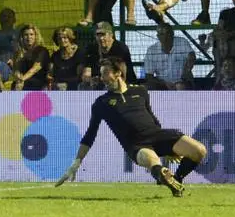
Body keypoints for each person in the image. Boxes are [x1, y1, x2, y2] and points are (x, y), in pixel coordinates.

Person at [55, 56, 207, 197]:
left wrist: (168, 149)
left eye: (105, 73)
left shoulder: (140, 91)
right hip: (137, 145)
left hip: (158, 134)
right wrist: (76, 162)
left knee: (199, 150)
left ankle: (176, 180)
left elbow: (152, 118)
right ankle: (163, 175)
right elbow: (90, 135)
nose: (102, 79)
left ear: (118, 73)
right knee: (154, 161)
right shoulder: (101, 103)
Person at [11, 24, 50, 91]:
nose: (29, 37)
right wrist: (18, 77)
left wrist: (22, 80)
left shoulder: (42, 51)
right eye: (26, 35)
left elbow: (34, 69)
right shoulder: (19, 51)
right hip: (24, 81)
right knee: (15, 85)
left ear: (36, 36)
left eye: (31, 34)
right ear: (22, 37)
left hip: (39, 81)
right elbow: (17, 70)